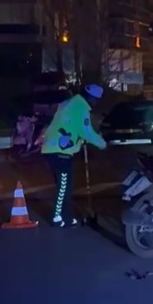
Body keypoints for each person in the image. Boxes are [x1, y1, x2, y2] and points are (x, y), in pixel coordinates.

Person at [39, 82, 107, 227]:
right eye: (96, 100)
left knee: (65, 186)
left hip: (52, 148)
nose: (96, 103)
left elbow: (71, 126)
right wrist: (102, 143)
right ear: (92, 98)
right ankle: (57, 218)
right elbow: (86, 132)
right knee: (64, 186)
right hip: (60, 151)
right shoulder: (81, 108)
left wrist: (81, 140)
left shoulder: (69, 104)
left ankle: (67, 217)